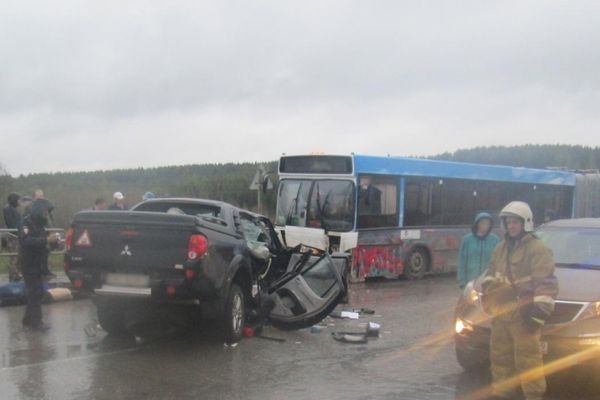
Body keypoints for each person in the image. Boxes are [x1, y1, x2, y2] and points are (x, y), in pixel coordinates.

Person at [481, 201, 558, 400]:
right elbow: (490, 273)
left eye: (516, 222)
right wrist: (492, 293)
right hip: (502, 313)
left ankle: (533, 395)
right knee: (499, 357)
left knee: (528, 360)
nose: (511, 226)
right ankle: (502, 393)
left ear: (526, 223)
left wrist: (537, 315)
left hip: (524, 315)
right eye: (508, 222)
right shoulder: (500, 248)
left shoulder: (537, 249)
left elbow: (546, 283)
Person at [20, 199, 59, 332]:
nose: (46, 215)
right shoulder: (26, 223)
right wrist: (46, 240)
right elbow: (26, 241)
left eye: (47, 212)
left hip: (38, 263)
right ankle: (37, 322)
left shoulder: (40, 225)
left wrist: (54, 243)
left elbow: (43, 243)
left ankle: (27, 319)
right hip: (28, 263)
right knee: (35, 292)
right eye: (45, 212)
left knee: (36, 292)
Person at [457, 212, 500, 288]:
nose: (485, 226)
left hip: (487, 281)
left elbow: (498, 260)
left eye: (488, 223)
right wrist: (461, 280)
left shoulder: (495, 240)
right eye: (483, 223)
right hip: (470, 281)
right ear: (477, 224)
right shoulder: (467, 240)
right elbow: (462, 261)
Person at [3, 193, 23, 281]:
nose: (19, 201)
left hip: (17, 234)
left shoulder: (13, 209)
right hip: (13, 235)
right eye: (18, 199)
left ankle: (16, 274)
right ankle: (13, 275)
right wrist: (18, 230)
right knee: (14, 256)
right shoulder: (8, 209)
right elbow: (11, 223)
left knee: (17, 256)